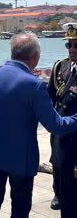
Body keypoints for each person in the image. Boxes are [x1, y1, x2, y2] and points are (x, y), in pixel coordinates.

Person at [0, 33, 77, 218]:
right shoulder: (34, 85)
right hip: (22, 159)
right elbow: (56, 125)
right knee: (20, 206)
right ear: (35, 57)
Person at [47, 23, 77, 217]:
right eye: (69, 45)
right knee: (65, 193)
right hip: (61, 136)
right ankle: (58, 193)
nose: (72, 50)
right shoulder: (62, 66)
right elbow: (50, 96)